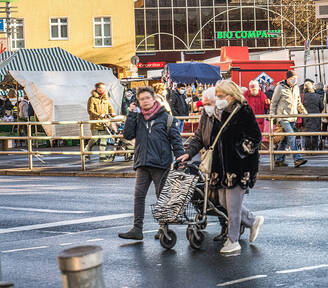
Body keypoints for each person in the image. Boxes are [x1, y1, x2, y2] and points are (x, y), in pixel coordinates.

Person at [177, 80, 263, 255]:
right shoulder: (217, 112)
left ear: (230, 96)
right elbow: (202, 137)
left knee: (232, 206)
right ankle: (253, 221)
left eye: (220, 96)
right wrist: (190, 153)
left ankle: (233, 241)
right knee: (223, 202)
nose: (217, 99)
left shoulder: (243, 110)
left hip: (238, 166)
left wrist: (240, 151)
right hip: (220, 166)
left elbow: (255, 137)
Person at [119, 87, 185, 240]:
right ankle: (137, 229)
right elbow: (128, 135)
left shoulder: (166, 118)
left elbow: (176, 140)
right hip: (142, 162)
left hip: (160, 163)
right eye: (141, 99)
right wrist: (131, 114)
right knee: (138, 196)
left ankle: (163, 228)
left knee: (161, 197)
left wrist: (180, 158)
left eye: (147, 98)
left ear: (154, 99)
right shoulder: (137, 117)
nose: (145, 101)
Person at [270, 70, 308, 168]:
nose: (294, 80)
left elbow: (298, 102)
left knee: (285, 140)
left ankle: (279, 159)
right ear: (287, 79)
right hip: (283, 117)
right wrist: (272, 116)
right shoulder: (280, 87)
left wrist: (304, 112)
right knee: (292, 136)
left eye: (295, 79)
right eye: (292, 79)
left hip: (293, 117)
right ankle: (297, 158)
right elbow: (273, 103)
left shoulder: (296, 88)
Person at [87, 82, 116, 162]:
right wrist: (99, 115)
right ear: (97, 89)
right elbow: (90, 110)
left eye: (104, 88)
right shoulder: (92, 99)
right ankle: (86, 151)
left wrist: (112, 112)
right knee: (95, 139)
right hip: (95, 123)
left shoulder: (106, 98)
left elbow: (110, 107)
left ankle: (102, 156)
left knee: (104, 139)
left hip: (105, 123)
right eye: (101, 88)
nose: (103, 90)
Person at [244, 81, 269, 148]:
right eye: (252, 89)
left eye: (255, 89)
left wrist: (268, 104)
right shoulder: (245, 95)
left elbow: (267, 107)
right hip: (248, 121)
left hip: (259, 122)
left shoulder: (262, 95)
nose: (253, 91)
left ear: (258, 88)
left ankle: (257, 152)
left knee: (257, 138)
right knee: (249, 138)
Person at [301, 81, 324, 151]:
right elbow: (322, 106)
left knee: (307, 132)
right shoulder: (317, 96)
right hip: (316, 116)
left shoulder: (302, 96)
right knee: (315, 132)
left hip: (306, 116)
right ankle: (314, 147)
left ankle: (308, 148)